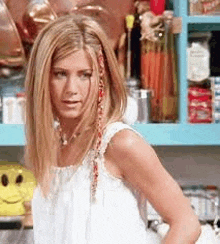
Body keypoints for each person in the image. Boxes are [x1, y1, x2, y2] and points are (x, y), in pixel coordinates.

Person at [25, 14, 201, 244]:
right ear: (42, 79)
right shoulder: (51, 144)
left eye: (84, 75)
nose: (71, 89)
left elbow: (187, 224)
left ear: (102, 78)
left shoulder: (119, 144)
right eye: (60, 74)